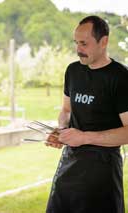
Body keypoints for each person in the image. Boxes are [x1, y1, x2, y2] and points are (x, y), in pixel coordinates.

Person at [46, 15, 128, 213]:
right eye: (76, 43)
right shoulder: (73, 71)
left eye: (84, 43)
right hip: (70, 162)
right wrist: (61, 131)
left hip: (103, 169)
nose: (78, 50)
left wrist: (83, 137)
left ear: (104, 41)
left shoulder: (121, 77)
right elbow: (66, 110)